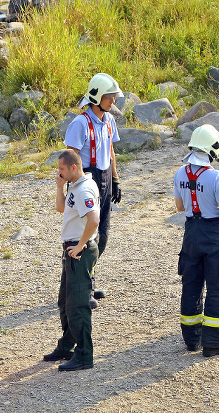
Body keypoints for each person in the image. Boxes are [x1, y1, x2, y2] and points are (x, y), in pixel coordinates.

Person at [173, 125, 219, 357]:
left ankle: (192, 340)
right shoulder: (216, 176)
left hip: (191, 232)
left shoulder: (180, 173)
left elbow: (180, 207)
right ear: (212, 151)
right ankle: (213, 341)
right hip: (213, 233)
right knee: (218, 285)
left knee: (191, 283)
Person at [64, 72, 122, 308]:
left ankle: (88, 280)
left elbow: (110, 151)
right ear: (96, 97)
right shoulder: (79, 123)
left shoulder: (109, 120)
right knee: (83, 236)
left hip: (105, 178)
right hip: (86, 180)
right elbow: (70, 157)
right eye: (110, 97)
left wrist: (116, 180)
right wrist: (76, 187)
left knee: (102, 236)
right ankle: (79, 289)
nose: (113, 101)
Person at [42, 149, 100, 371]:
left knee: (77, 305)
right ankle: (67, 345)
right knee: (64, 301)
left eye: (61, 169)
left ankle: (84, 355)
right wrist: (59, 186)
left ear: (73, 168)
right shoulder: (75, 186)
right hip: (72, 249)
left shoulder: (84, 189)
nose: (59, 172)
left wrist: (81, 244)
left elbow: (94, 220)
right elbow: (61, 208)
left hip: (79, 251)